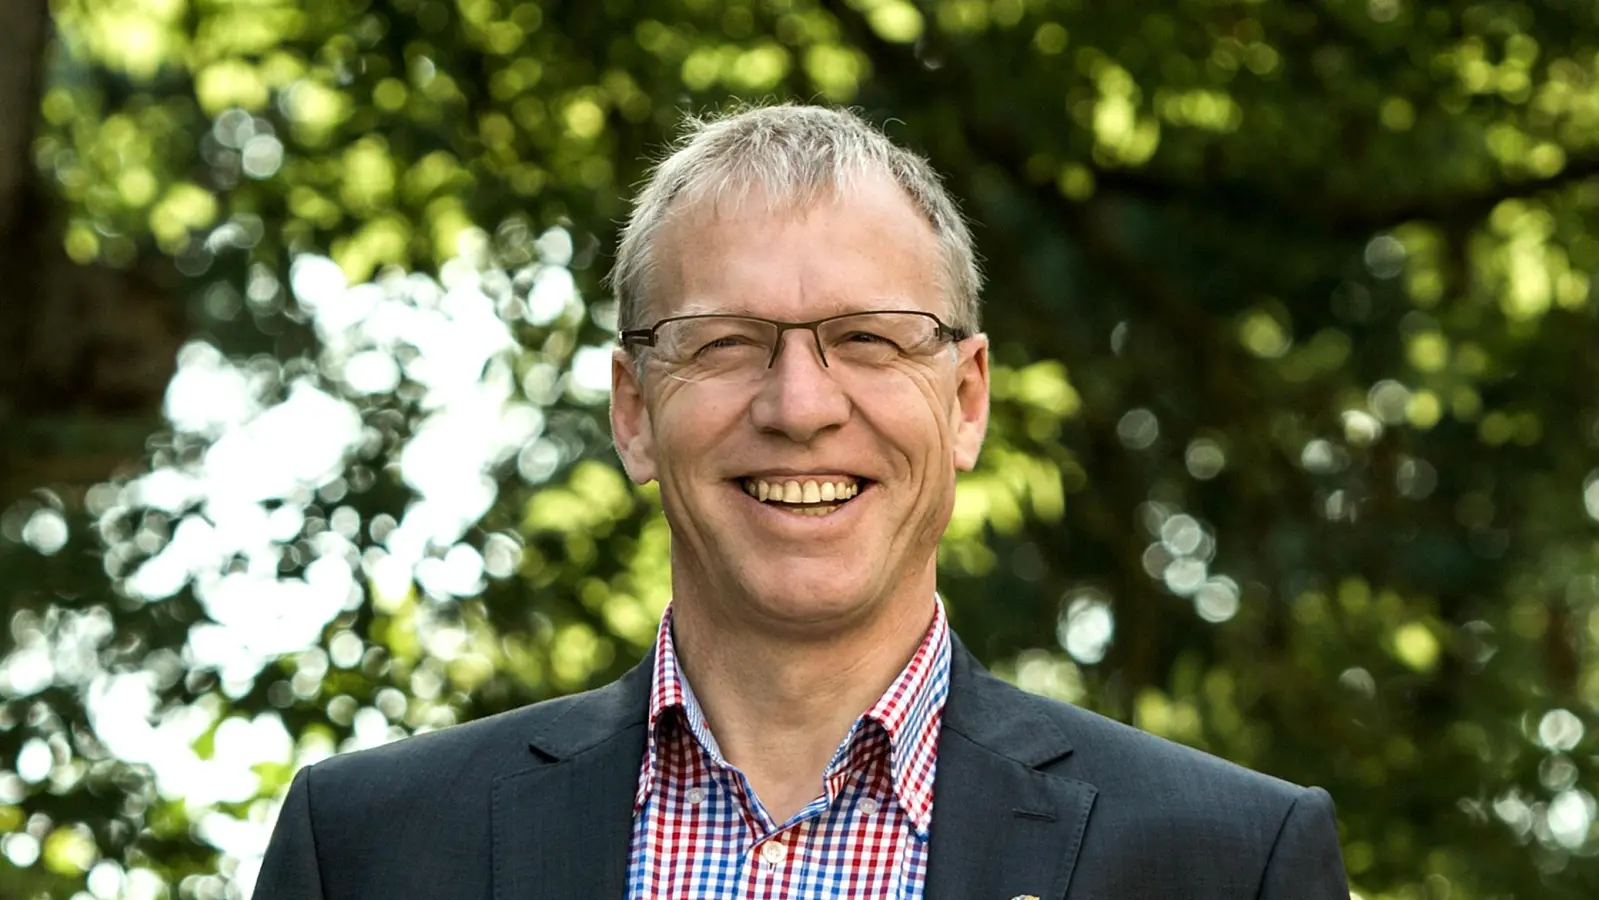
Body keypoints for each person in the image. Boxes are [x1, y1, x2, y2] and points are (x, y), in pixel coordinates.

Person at [251, 104, 1348, 899]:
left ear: (965, 402)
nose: (799, 405)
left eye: (868, 339)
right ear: (633, 410)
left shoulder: (1228, 861)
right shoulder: (368, 850)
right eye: (724, 344)